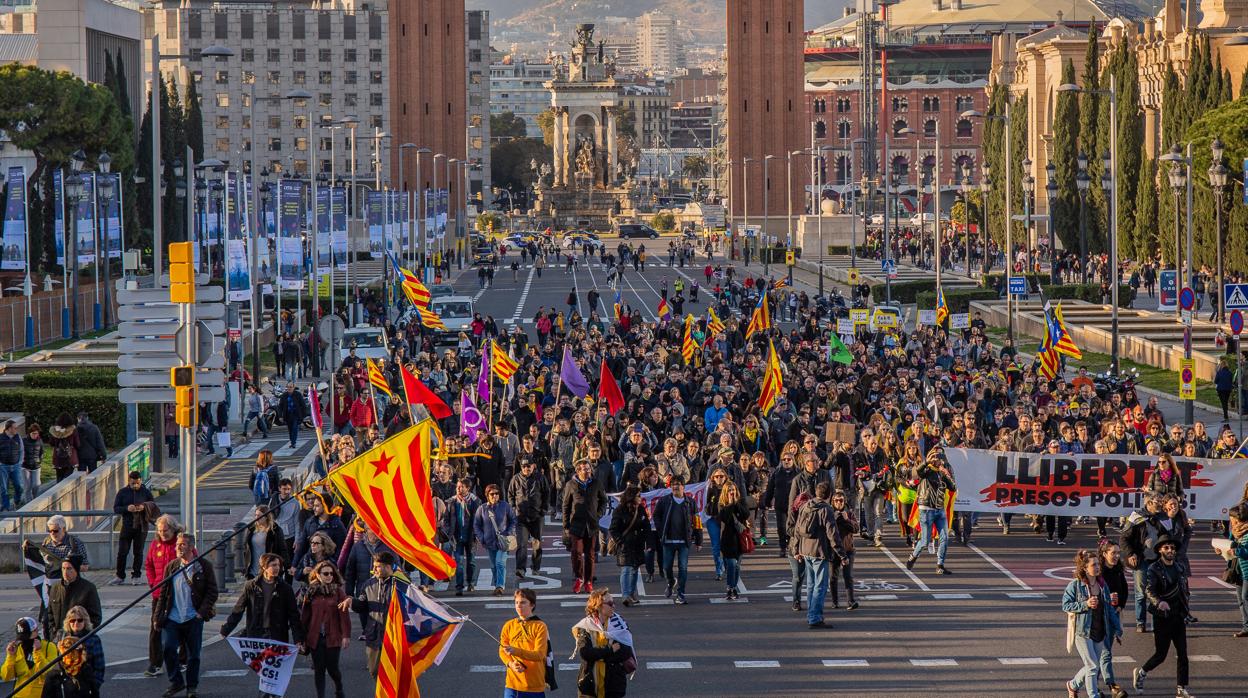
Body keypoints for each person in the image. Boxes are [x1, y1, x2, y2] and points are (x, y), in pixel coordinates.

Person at [153, 532, 218, 698]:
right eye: (177, 545)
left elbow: (212, 591)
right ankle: (176, 682)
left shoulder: (203, 566)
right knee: (168, 649)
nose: (178, 548)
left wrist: (200, 613)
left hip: (192, 617)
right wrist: (157, 617)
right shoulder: (172, 567)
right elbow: (163, 593)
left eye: (182, 544)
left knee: (193, 655)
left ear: (191, 547)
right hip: (173, 617)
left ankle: (191, 687)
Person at [1133, 535, 1193, 698]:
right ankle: (1141, 673)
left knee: (1183, 653)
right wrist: (1159, 602)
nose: (1170, 551)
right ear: (1160, 550)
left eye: (1172, 548)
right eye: (1166, 548)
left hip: (1178, 615)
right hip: (1162, 616)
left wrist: (1187, 611)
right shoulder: (1154, 569)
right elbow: (1149, 590)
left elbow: (1184, 589)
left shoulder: (1180, 567)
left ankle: (1181, 688)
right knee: (1161, 655)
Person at [1062, 549, 1123, 698]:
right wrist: (1085, 604)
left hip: (1100, 631)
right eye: (1093, 564)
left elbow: (1108, 608)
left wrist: (1117, 627)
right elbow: (1066, 605)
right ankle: (1093, 695)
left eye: (1098, 564)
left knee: (1092, 666)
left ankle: (1073, 685)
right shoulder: (1075, 585)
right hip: (1083, 631)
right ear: (1085, 568)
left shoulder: (1102, 585)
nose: (1097, 567)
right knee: (1093, 666)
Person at [220, 552, 304, 647]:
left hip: (277, 635)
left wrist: (298, 639)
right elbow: (238, 609)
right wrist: (226, 629)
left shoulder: (286, 588)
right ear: (264, 567)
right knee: (256, 662)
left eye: (279, 565)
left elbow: (294, 616)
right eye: (273, 565)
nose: (277, 568)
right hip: (256, 635)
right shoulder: (251, 586)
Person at [793, 482, 846, 629]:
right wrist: (842, 554)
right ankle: (815, 617)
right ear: (829, 495)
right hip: (819, 551)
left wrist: (795, 549)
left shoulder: (806, 506)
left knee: (810, 585)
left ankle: (811, 614)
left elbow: (797, 528)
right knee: (820, 586)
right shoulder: (826, 509)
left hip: (805, 550)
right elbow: (832, 534)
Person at [298, 560, 351, 698]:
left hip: (333, 636)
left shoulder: (338, 592)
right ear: (318, 575)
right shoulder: (311, 592)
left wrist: (346, 635)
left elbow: (344, 616)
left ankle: (339, 688)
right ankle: (320, 696)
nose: (329, 576)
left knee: (333, 669)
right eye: (325, 573)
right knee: (319, 669)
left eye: (331, 574)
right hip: (315, 637)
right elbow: (305, 616)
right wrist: (301, 638)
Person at [572, 588, 633, 698]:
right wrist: (609, 650)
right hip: (590, 684)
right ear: (598, 606)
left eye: (613, 602)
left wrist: (600, 657)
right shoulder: (585, 626)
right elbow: (585, 653)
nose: (613, 606)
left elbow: (626, 651)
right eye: (610, 603)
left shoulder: (619, 623)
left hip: (614, 684)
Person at [350, 551, 402, 677]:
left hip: (395, 637)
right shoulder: (368, 584)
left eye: (377, 566)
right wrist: (352, 602)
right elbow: (362, 606)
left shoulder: (401, 584)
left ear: (388, 567)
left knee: (394, 675)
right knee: (374, 672)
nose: (374, 570)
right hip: (373, 636)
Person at [905, 449, 956, 575]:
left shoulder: (944, 471)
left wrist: (947, 475)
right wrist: (926, 461)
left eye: (939, 458)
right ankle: (913, 556)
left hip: (940, 509)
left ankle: (940, 565)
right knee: (925, 541)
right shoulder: (927, 470)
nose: (937, 461)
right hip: (927, 509)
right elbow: (916, 472)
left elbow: (953, 487)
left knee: (944, 537)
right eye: (935, 458)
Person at [652, 476, 702, 605]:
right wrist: (661, 529)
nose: (675, 487)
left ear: (683, 487)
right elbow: (656, 516)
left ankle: (681, 593)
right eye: (673, 484)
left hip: (684, 541)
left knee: (683, 568)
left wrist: (699, 541)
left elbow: (697, 522)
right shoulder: (664, 501)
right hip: (668, 540)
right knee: (666, 567)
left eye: (678, 484)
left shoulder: (690, 502)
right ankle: (670, 582)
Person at [142, 514, 181, 677]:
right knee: (156, 627)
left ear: (172, 529)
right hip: (159, 593)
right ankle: (155, 663)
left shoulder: (180, 543)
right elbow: (148, 564)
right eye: (160, 530)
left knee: (181, 626)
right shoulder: (155, 544)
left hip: (177, 593)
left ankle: (183, 660)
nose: (163, 533)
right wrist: (153, 583)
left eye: (165, 530)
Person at [562, 460, 606, 594]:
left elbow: (603, 500)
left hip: (592, 524)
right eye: (584, 469)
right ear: (578, 471)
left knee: (590, 555)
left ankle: (588, 581)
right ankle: (579, 578)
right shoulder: (571, 484)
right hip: (576, 524)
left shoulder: (596, 483)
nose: (587, 471)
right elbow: (566, 505)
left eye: (588, 469)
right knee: (576, 553)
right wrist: (566, 525)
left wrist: (598, 514)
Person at [499, 588, 551, 698]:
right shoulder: (508, 625)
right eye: (516, 602)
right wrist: (510, 664)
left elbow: (539, 655)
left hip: (534, 685)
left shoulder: (540, 626)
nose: (519, 605)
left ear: (532, 605)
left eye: (523, 602)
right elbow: (502, 650)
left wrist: (515, 651)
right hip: (512, 685)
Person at [608, 485, 651, 607]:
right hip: (625, 544)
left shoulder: (641, 509)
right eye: (638, 496)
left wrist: (648, 542)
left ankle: (631, 593)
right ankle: (625, 595)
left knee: (635, 568)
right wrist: (620, 540)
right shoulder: (620, 510)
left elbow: (646, 526)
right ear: (631, 497)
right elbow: (613, 529)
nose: (640, 498)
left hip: (637, 543)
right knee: (626, 569)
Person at [508, 458, 550, 580]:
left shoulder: (540, 478)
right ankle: (520, 569)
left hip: (537, 516)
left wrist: (544, 510)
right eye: (524, 466)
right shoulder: (515, 478)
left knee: (537, 543)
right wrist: (513, 507)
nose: (526, 468)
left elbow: (547, 494)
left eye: (528, 466)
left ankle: (536, 567)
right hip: (521, 517)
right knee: (522, 544)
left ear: (533, 466)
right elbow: (510, 494)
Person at [110, 471, 154, 586]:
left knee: (138, 552)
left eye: (137, 483)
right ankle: (120, 575)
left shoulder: (146, 492)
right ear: (129, 481)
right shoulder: (122, 493)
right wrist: (126, 508)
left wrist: (143, 507)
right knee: (122, 552)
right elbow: (116, 508)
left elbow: (153, 505)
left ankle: (136, 575)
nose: (135, 485)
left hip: (141, 526)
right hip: (127, 525)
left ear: (140, 481)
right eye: (133, 483)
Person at [474, 483, 518, 596]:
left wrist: (508, 533)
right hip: (489, 542)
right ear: (487, 495)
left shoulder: (505, 506)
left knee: (500, 562)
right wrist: (482, 537)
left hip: (503, 541)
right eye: (492, 494)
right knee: (493, 565)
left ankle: (500, 586)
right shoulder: (482, 509)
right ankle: (496, 585)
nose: (494, 496)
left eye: (497, 493)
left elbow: (513, 520)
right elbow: (477, 525)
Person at [1, 617, 58, 698]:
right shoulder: (18, 648)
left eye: (27, 635)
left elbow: (49, 673)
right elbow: (6, 677)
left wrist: (38, 653)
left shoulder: (49, 647)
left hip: (42, 694)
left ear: (36, 631)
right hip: (19, 695)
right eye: (22, 637)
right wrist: (10, 657)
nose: (25, 640)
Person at [716, 481, 751, 601]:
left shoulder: (740, 502)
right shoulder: (721, 504)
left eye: (733, 490)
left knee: (737, 566)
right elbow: (724, 518)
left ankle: (733, 587)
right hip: (728, 538)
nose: (732, 492)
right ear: (725, 492)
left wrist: (736, 503)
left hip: (740, 538)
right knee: (731, 564)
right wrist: (730, 504)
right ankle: (730, 587)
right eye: (729, 490)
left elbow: (746, 514)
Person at [446, 477, 481, 596]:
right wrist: (448, 532)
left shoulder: (475, 501)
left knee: (471, 561)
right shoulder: (452, 501)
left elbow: (478, 520)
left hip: (471, 536)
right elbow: (447, 518)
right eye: (457, 487)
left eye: (461, 487)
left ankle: (471, 582)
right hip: (457, 536)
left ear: (468, 488)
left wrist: (477, 534)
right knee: (459, 562)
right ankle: (459, 587)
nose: (458, 489)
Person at [55, 609, 103, 694]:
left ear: (85, 621)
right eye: (72, 620)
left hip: (88, 684)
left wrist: (94, 685)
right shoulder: (62, 639)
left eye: (80, 620)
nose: (76, 623)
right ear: (68, 622)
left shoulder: (93, 639)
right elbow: (57, 664)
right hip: (68, 685)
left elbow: (99, 666)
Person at [48, 557, 101, 633]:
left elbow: (96, 617)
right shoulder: (55, 587)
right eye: (63, 568)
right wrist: (53, 633)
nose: (65, 572)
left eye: (69, 569)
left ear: (76, 570)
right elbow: (50, 614)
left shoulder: (88, 588)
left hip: (80, 638)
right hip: (59, 637)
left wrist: (82, 634)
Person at [829, 489, 860, 611]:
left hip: (848, 549)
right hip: (834, 550)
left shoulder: (849, 513)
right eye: (836, 500)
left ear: (844, 501)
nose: (838, 503)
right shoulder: (829, 512)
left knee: (848, 576)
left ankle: (850, 601)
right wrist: (834, 518)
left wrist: (847, 519)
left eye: (841, 500)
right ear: (832, 501)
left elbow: (856, 529)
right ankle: (834, 601)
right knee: (833, 577)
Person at [1222, 503, 1248, 638]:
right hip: (1237, 568)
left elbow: (1245, 551)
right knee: (1240, 599)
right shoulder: (1235, 531)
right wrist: (1222, 549)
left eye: (1232, 517)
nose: (1230, 520)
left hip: (1246, 570)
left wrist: (1237, 551)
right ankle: (1246, 626)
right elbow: (1231, 545)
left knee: (1245, 597)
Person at [41, 515, 89, 582]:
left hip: (69, 582)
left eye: (55, 531)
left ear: (63, 529)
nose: (52, 533)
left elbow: (85, 567)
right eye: (50, 530)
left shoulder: (75, 543)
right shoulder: (46, 542)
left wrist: (66, 567)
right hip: (50, 582)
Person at [0, 419, 24, 511]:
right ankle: (6, 507)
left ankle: (16, 500)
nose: (16, 430)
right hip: (3, 466)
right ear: (9, 428)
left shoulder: (18, 437)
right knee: (4, 488)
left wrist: (20, 462)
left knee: (19, 486)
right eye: (15, 428)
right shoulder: (1, 438)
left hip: (16, 466)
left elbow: (21, 450)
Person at [47, 412, 79, 482]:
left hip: (58, 457)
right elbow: (77, 444)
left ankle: (58, 491)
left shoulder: (54, 430)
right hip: (70, 458)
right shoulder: (73, 430)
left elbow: (51, 443)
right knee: (67, 479)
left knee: (59, 477)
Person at [20, 422, 44, 504]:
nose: (35, 435)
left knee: (36, 484)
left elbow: (42, 452)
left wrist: (40, 460)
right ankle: (28, 503)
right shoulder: (23, 441)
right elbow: (19, 452)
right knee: (27, 486)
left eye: (37, 433)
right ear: (29, 433)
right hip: (25, 466)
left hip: (36, 466)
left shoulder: (40, 441)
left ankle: (35, 500)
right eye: (33, 433)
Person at [279, 383, 306, 449]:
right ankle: (292, 441)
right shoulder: (284, 395)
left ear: (293, 388)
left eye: (291, 387)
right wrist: (280, 416)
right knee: (290, 429)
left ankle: (293, 443)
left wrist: (302, 415)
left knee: (294, 428)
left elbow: (303, 405)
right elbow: (280, 406)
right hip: (287, 415)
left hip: (296, 414)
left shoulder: (298, 394)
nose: (289, 388)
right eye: (288, 387)